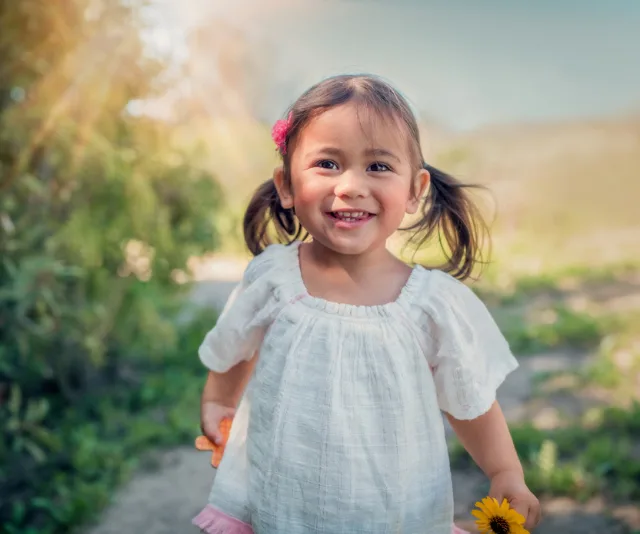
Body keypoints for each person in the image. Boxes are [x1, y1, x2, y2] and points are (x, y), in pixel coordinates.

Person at [193, 74, 541, 534]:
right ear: (287, 184)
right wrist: (220, 399)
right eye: (328, 164)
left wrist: (504, 470)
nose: (352, 185)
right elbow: (236, 344)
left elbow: (469, 397)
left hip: (395, 509)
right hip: (286, 504)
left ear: (415, 190)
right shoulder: (275, 278)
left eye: (377, 167)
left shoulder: (431, 305)